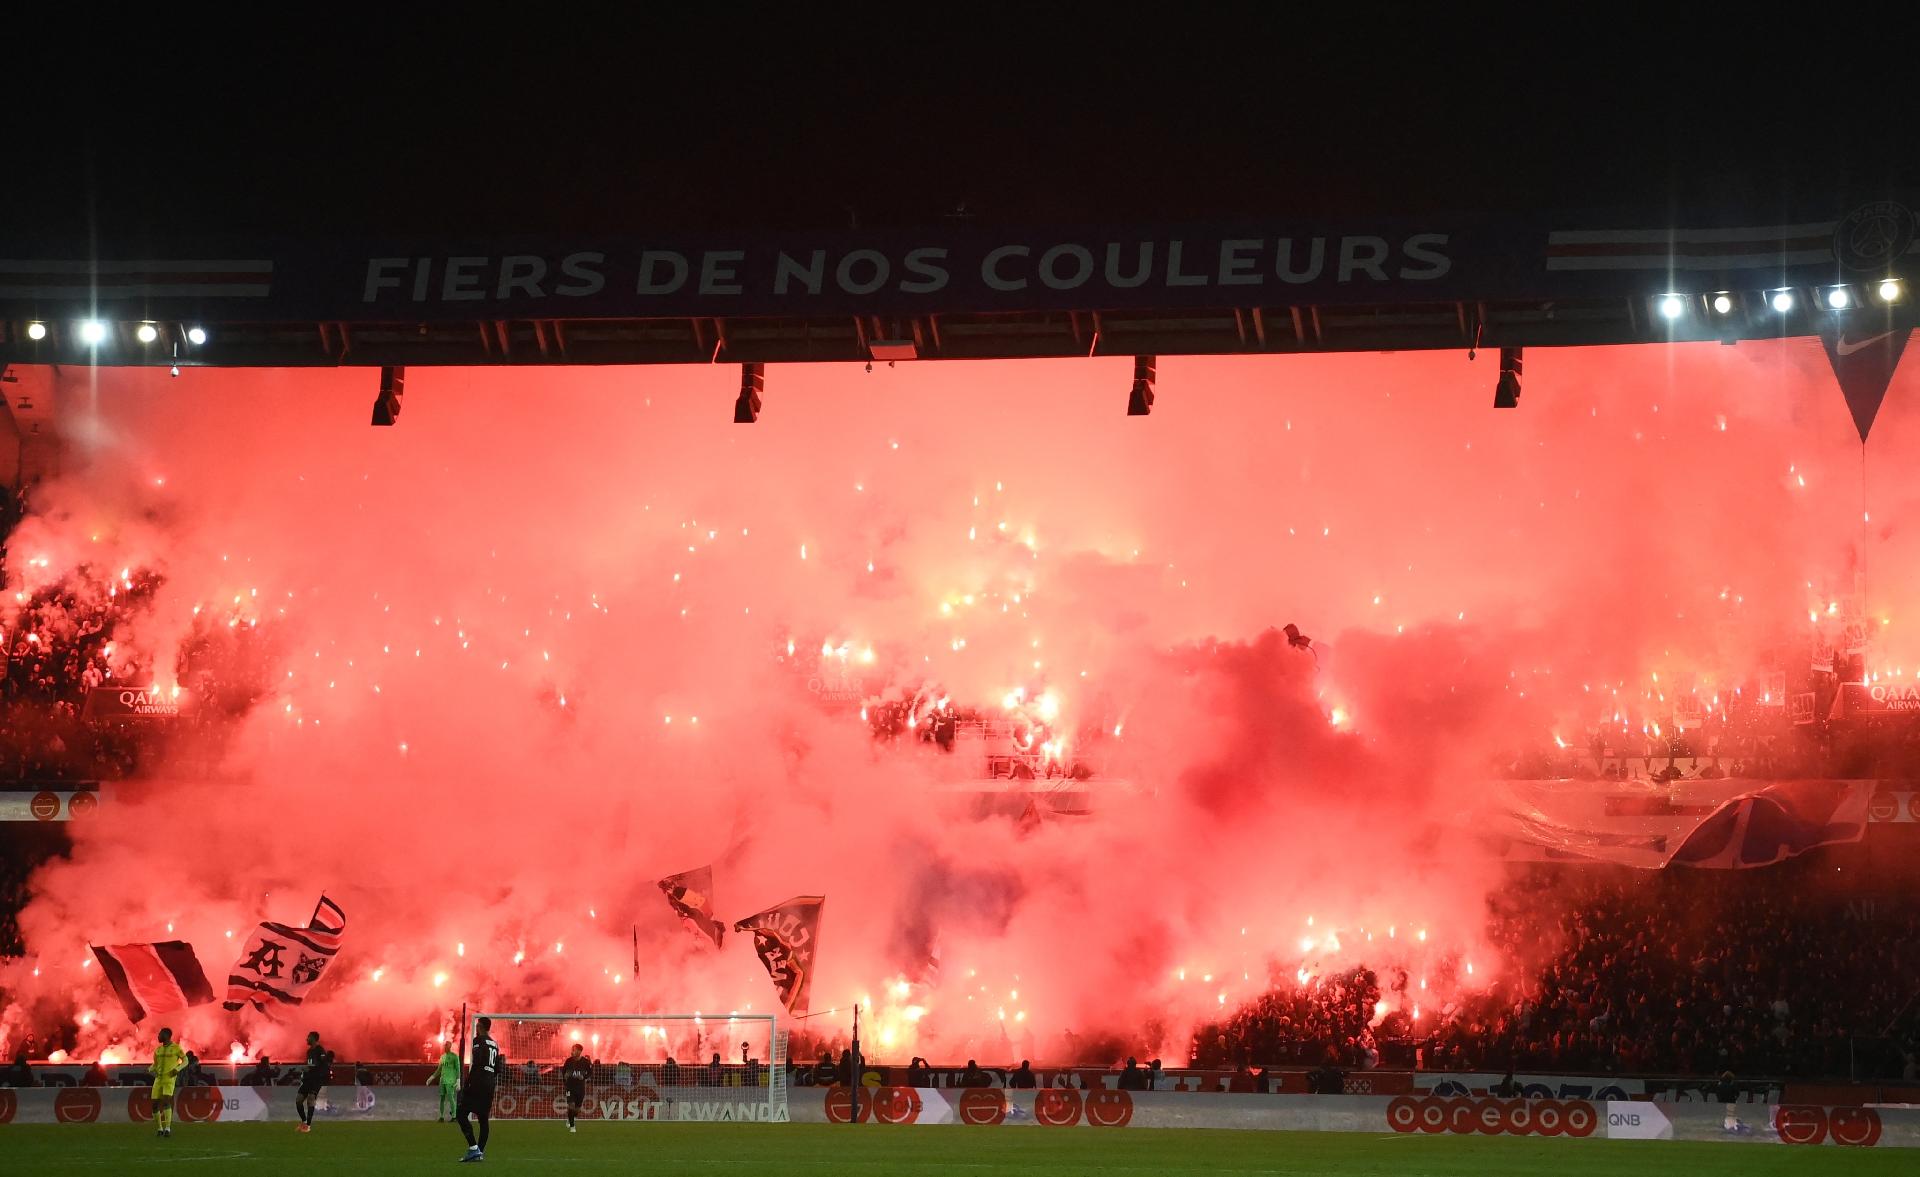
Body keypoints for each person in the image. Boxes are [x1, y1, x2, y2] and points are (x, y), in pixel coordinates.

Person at [458, 1016, 506, 1163]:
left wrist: (468, 1082)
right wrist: (489, 1077)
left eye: (478, 1027)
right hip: (489, 1083)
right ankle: (480, 1152)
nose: (476, 1029)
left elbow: (477, 1063)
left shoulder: (478, 1041)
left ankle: (473, 1148)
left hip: (478, 1082)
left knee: (460, 1114)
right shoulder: (495, 1044)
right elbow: (498, 1068)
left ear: (481, 1027)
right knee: (483, 1119)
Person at [150, 1028, 187, 1139]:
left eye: (160, 1034)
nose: (158, 1036)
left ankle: (167, 1128)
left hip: (169, 1079)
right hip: (158, 1080)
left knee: (166, 1101)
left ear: (167, 1035)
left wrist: (178, 1069)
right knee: (154, 1105)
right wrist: (149, 1069)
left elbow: (186, 1061)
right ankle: (159, 1128)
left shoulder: (176, 1048)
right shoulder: (158, 1050)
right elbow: (155, 1065)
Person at [294, 1031, 333, 1133]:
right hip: (307, 1079)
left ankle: (308, 1126)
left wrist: (313, 1070)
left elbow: (324, 1065)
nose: (306, 1039)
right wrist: (305, 1069)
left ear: (314, 1039)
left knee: (311, 1099)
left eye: (308, 1037)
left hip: (316, 1080)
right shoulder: (309, 1051)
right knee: (298, 1100)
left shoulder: (320, 1050)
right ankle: (303, 1121)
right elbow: (310, 1064)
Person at [561, 1044, 591, 1132]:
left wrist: (584, 1077)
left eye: (574, 1050)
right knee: (571, 1106)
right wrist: (565, 1077)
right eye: (572, 1050)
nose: (572, 1051)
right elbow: (564, 1071)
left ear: (579, 1051)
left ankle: (570, 1119)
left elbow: (590, 1072)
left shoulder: (585, 1061)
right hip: (570, 1087)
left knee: (577, 1110)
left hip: (580, 1088)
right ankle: (572, 1127)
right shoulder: (568, 1061)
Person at [432, 1043, 461, 1122]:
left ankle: (454, 1117)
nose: (445, 1047)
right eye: (445, 1046)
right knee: (442, 1098)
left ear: (450, 1047)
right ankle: (441, 1117)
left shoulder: (455, 1057)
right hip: (443, 1080)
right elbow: (439, 1069)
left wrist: (458, 1080)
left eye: (447, 1046)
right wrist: (432, 1077)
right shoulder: (442, 1057)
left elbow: (458, 1069)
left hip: (450, 1080)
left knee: (451, 1097)